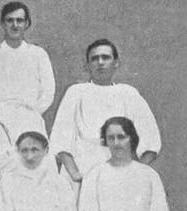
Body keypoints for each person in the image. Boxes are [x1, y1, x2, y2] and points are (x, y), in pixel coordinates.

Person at [50, 39, 161, 183]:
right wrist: (76, 175)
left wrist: (133, 172)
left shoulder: (128, 93)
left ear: (116, 63)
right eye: (94, 59)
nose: (100, 62)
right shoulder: (76, 92)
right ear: (87, 65)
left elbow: (151, 139)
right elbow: (60, 138)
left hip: (120, 173)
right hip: (83, 169)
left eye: (106, 57)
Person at [0, 2, 55, 143]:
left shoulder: (38, 53)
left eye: (19, 20)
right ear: (2, 23)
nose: (15, 25)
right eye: (10, 20)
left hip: (30, 117)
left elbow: (48, 90)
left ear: (27, 24)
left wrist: (33, 113)